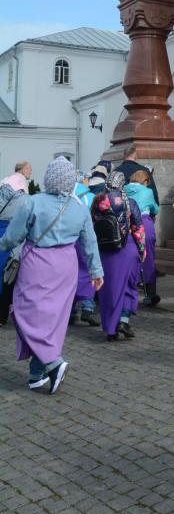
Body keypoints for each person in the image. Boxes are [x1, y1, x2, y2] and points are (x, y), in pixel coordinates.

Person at [0, 157, 103, 393]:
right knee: (53, 320)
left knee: (23, 313)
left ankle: (53, 364)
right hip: (67, 266)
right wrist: (96, 270)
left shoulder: (32, 203)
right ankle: (37, 375)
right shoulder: (79, 207)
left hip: (38, 263)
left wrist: (1, 244)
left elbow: (12, 238)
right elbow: (90, 242)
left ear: (48, 178)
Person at [93, 170, 145, 341]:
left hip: (105, 250)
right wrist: (142, 249)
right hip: (127, 247)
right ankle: (123, 320)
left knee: (108, 290)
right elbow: (137, 228)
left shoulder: (97, 201)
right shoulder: (129, 202)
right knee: (129, 286)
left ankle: (110, 330)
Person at [125, 170, 160, 307]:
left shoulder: (124, 189)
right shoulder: (147, 191)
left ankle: (130, 288)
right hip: (144, 224)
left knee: (131, 257)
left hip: (128, 224)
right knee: (148, 258)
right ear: (145, 181)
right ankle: (151, 294)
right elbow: (155, 209)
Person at [70, 172, 100, 327]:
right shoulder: (91, 196)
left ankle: (72, 311)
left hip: (68, 240)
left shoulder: (67, 194)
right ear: (84, 180)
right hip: (86, 239)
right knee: (89, 272)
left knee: (70, 275)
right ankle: (88, 308)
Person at [0, 172, 30, 326]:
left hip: (4, 230)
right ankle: (5, 313)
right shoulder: (23, 197)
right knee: (9, 273)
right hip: (12, 234)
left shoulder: (4, 187)